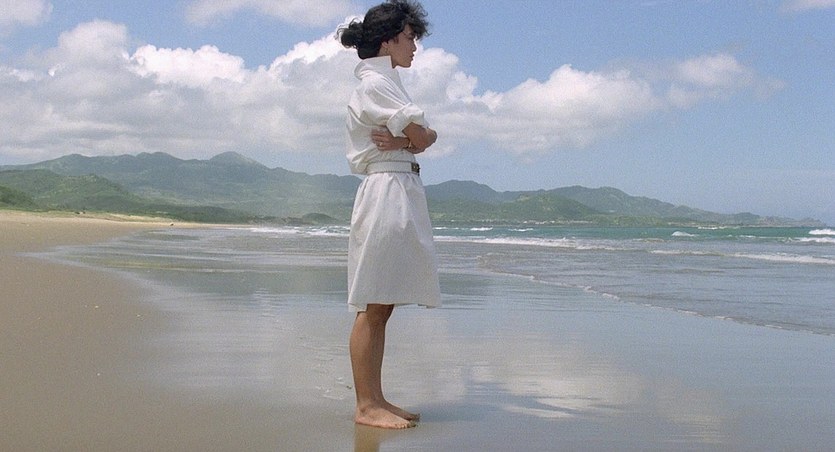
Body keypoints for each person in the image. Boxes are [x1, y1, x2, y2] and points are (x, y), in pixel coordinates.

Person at [337, 0, 440, 430]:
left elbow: (426, 137)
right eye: (410, 37)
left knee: (382, 303)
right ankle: (366, 406)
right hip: (386, 189)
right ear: (388, 40)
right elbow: (424, 135)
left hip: (397, 185)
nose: (414, 46)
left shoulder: (386, 83)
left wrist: (405, 142)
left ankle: (375, 399)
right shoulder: (376, 84)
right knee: (374, 301)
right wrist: (412, 140)